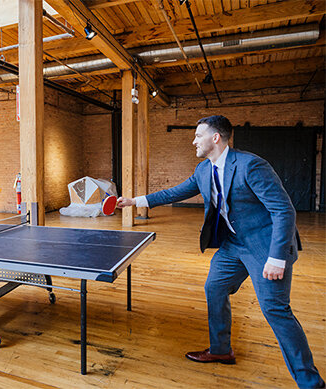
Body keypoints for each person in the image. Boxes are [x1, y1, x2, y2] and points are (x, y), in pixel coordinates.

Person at [117, 115, 323, 388]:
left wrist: (276, 257)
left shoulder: (251, 165)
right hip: (233, 245)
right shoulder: (204, 170)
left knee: (275, 310)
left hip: (264, 247)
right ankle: (221, 349)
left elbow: (283, 210)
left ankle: (310, 382)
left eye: (198, 135)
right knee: (214, 287)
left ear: (215, 138)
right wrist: (134, 201)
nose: (193, 141)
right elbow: (174, 193)